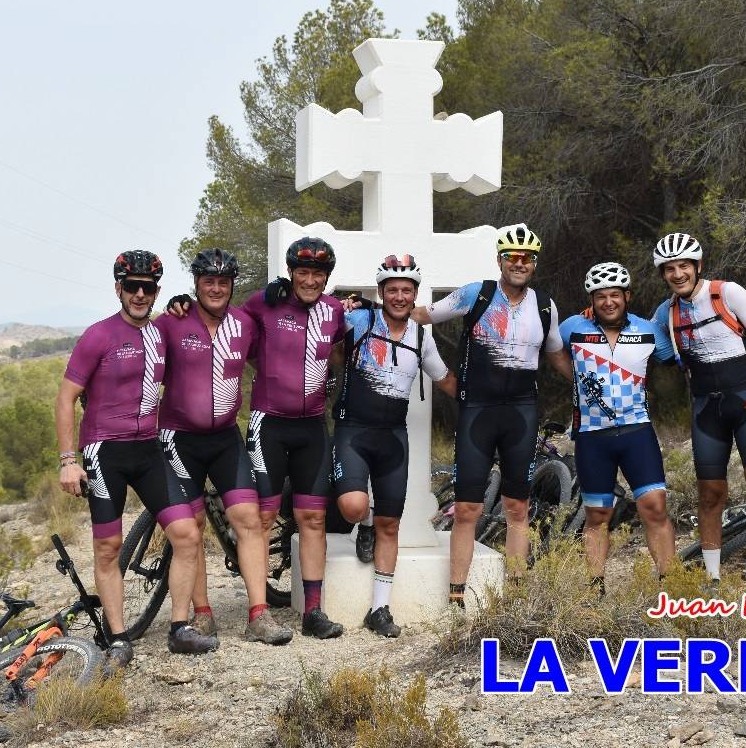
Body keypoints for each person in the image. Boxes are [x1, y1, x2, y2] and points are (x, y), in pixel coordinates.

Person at [167, 236, 347, 638]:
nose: (310, 280)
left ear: (327, 277)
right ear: (291, 273)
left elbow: (338, 352)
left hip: (314, 426)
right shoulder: (262, 305)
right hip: (269, 424)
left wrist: (333, 380)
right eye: (303, 271)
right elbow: (224, 328)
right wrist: (179, 300)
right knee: (260, 518)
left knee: (312, 518)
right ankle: (239, 608)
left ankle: (312, 612)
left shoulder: (335, 311)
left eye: (318, 273)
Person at [54, 250, 218, 668]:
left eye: (148, 288)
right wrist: (67, 460)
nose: (140, 294)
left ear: (156, 291)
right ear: (118, 288)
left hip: (149, 449)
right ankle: (120, 638)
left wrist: (183, 300)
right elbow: (66, 398)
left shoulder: (163, 330)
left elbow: (197, 322)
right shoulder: (99, 335)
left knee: (187, 535)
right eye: (132, 286)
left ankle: (179, 629)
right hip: (103, 450)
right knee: (108, 548)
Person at [407, 223, 572, 607]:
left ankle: (514, 595)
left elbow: (556, 354)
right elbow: (422, 315)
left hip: (521, 414)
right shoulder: (476, 294)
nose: (519, 263)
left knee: (518, 507)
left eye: (526, 258)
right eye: (511, 257)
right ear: (499, 259)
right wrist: (365, 308)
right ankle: (456, 594)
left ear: (534, 264)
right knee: (468, 507)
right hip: (477, 412)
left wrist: (588, 382)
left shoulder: (545, 305)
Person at [156, 248, 292, 645]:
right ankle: (202, 615)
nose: (215, 289)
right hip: (178, 438)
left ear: (232, 285)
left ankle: (259, 614)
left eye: (223, 282)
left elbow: (276, 341)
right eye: (207, 282)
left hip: (225, 437)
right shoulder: (173, 323)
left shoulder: (244, 324)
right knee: (192, 530)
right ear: (196, 285)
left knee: (249, 519)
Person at [650, 232, 746, 594]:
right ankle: (712, 578)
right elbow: (648, 348)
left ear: (697, 266)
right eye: (669, 269)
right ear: (663, 274)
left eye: (683, 266)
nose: (677, 274)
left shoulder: (727, 293)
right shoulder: (665, 314)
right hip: (706, 410)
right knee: (710, 494)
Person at [333, 254, 456, 637]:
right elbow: (323, 331)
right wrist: (337, 307)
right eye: (392, 289)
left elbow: (446, 380)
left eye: (406, 290)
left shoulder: (422, 337)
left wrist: (484, 402)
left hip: (393, 438)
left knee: (392, 523)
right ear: (381, 292)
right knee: (354, 507)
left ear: (414, 294)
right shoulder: (359, 321)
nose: (399, 296)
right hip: (353, 430)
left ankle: (379, 609)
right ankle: (364, 524)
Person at [555, 262, 676, 591]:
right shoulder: (571, 327)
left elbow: (678, 357)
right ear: (592, 300)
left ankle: (671, 584)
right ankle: (595, 589)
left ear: (627, 296)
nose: (608, 301)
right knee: (598, 515)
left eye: (615, 295)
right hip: (593, 437)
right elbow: (553, 353)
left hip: (638, 433)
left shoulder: (648, 330)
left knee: (654, 508)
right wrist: (577, 381)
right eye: (600, 296)